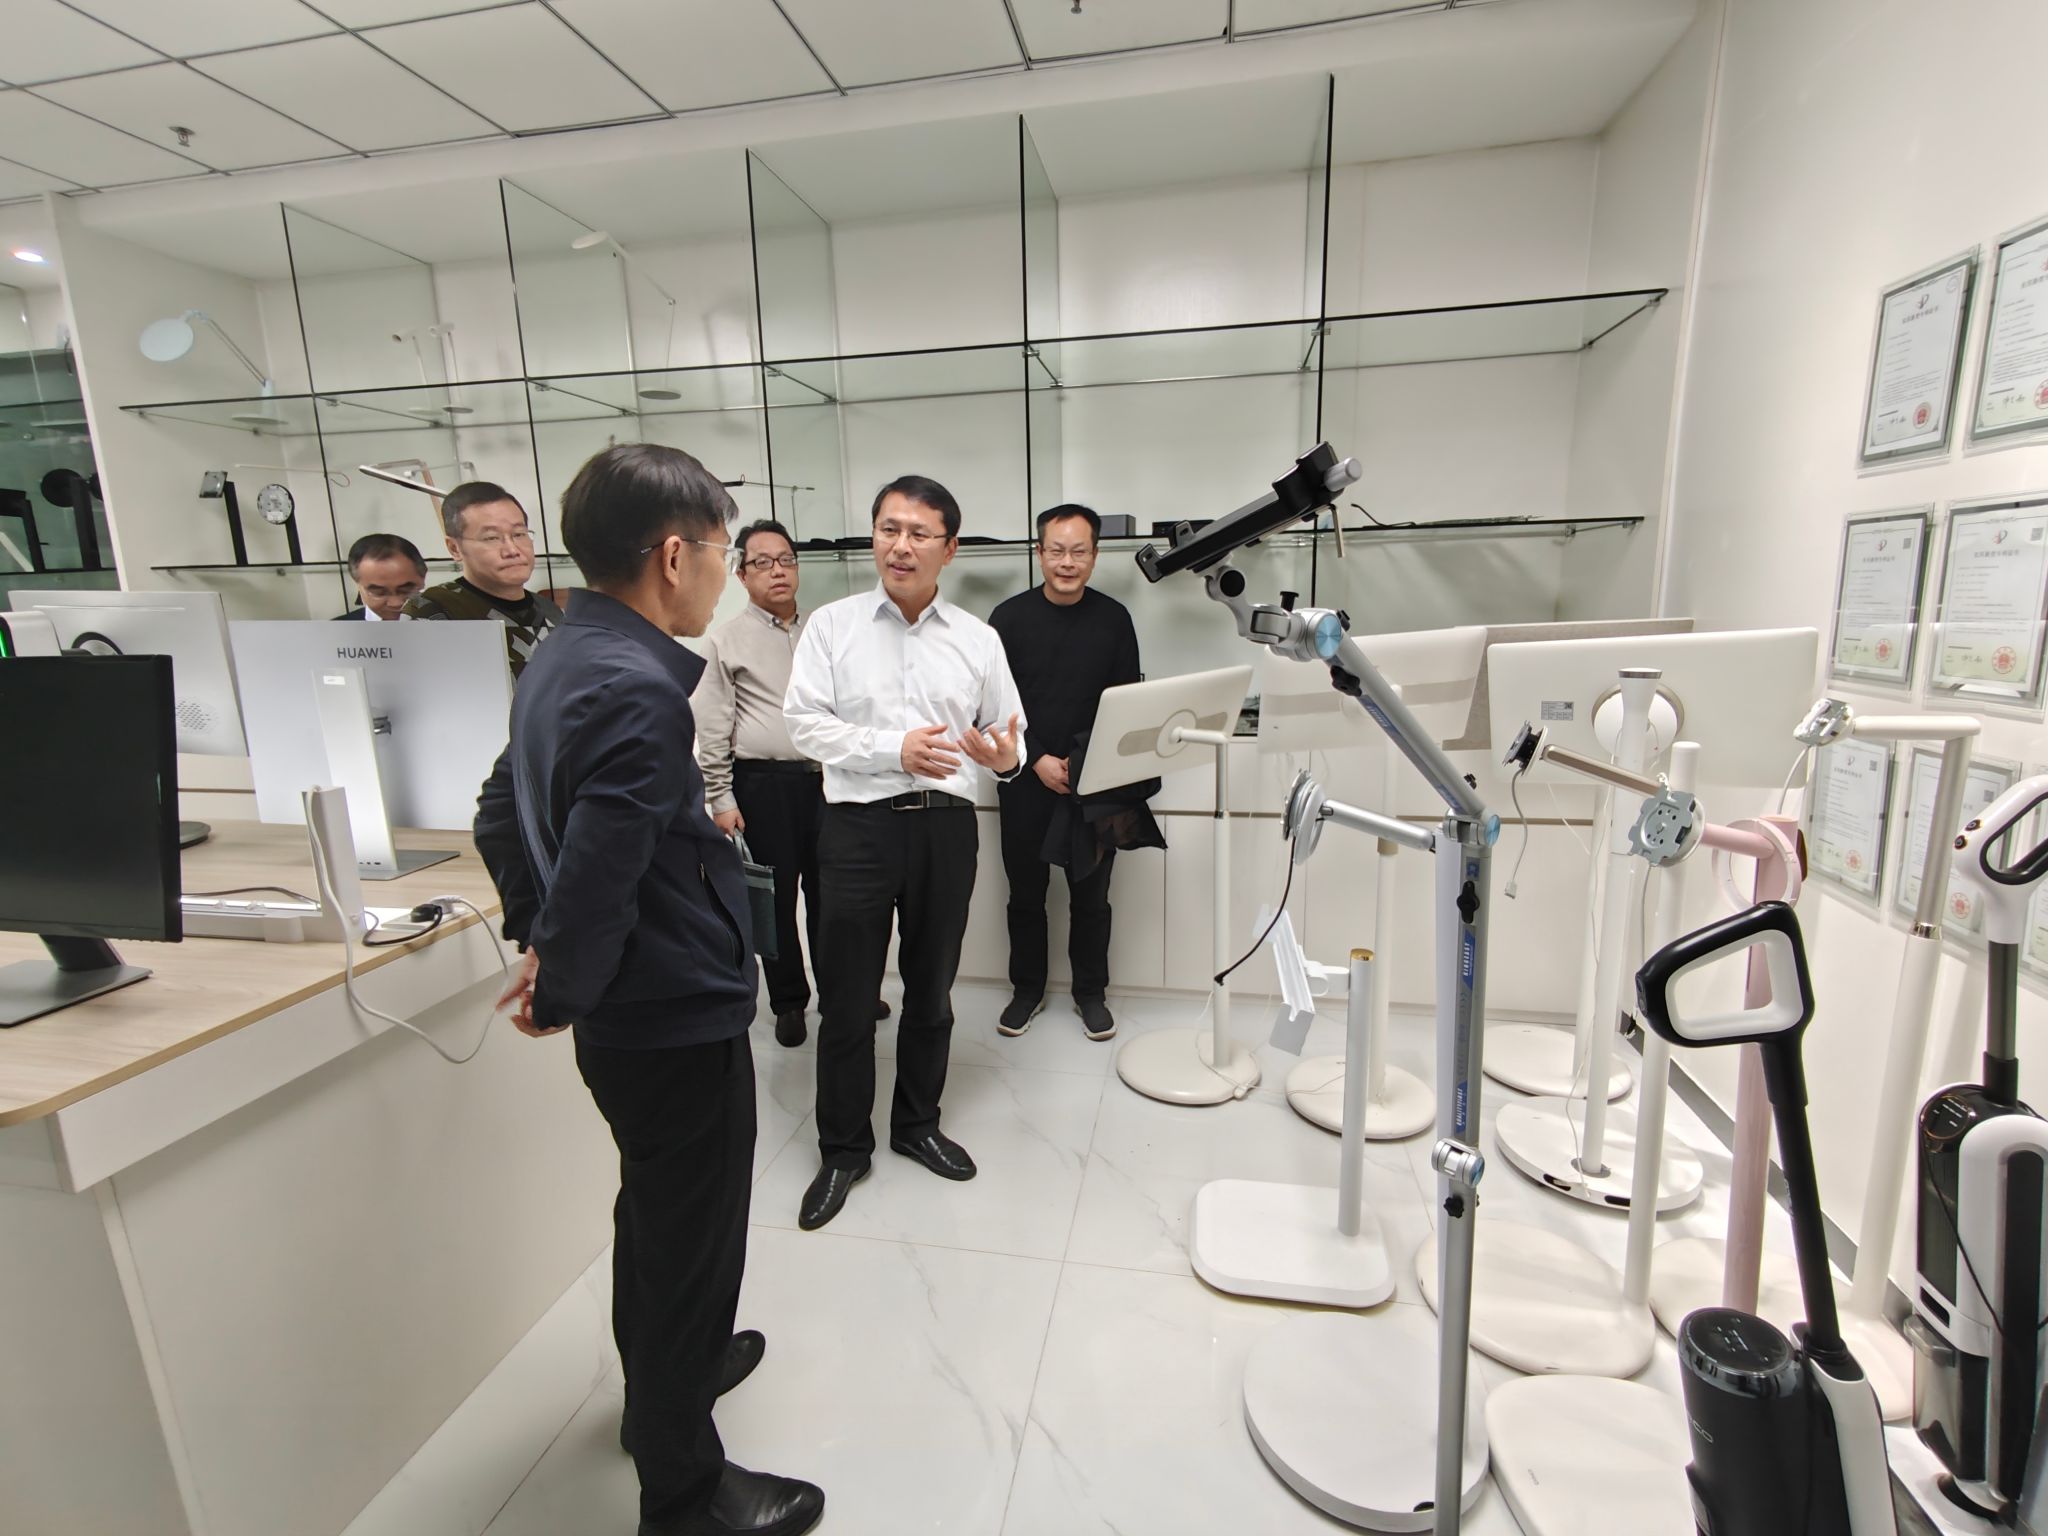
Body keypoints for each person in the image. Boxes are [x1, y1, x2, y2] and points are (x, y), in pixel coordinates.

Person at [474, 444, 823, 1536]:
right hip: (669, 1014)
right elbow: (599, 868)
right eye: (721, 550)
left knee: (658, 1216)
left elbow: (501, 807)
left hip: (634, 1010)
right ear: (674, 555)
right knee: (690, 1245)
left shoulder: (564, 652)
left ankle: (677, 1373)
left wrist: (539, 938)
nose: (726, 572)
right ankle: (683, 1491)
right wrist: (561, 981)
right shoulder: (635, 687)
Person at [782, 474, 1026, 1232]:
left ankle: (917, 1124)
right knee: (848, 997)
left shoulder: (978, 638)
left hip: (945, 830)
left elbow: (1010, 737)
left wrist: (1007, 759)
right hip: (856, 829)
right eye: (889, 529)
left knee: (932, 990)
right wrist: (894, 749)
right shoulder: (832, 626)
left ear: (949, 549)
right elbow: (803, 724)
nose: (901, 545)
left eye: (920, 533)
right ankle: (843, 1148)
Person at [693, 519, 891, 1049]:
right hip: (764, 787)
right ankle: (788, 1002)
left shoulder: (825, 631)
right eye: (762, 562)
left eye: (786, 560)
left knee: (837, 899)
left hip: (830, 783)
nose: (777, 571)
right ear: (741, 574)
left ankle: (842, 995)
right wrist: (720, 796)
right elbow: (713, 725)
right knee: (775, 902)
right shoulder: (724, 642)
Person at [988, 504, 1142, 1042]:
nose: (1067, 562)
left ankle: (1090, 993)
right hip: (1025, 777)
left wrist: (1085, 759)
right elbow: (993, 704)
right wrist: (1036, 758)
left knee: (1091, 896)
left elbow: (1126, 701)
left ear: (1095, 556)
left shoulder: (1115, 619)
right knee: (1025, 894)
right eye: (1057, 550)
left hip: (1095, 778)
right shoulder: (1007, 619)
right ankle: (1026, 991)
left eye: (1079, 551)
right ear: (1039, 554)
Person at [403, 480, 563, 678]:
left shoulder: (551, 611)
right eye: (491, 538)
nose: (512, 550)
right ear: (454, 548)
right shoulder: (432, 609)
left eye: (519, 534)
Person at [334, 531, 427, 621]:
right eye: (379, 593)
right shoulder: (335, 629)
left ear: (423, 578)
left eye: (406, 590)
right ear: (358, 585)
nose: (395, 603)